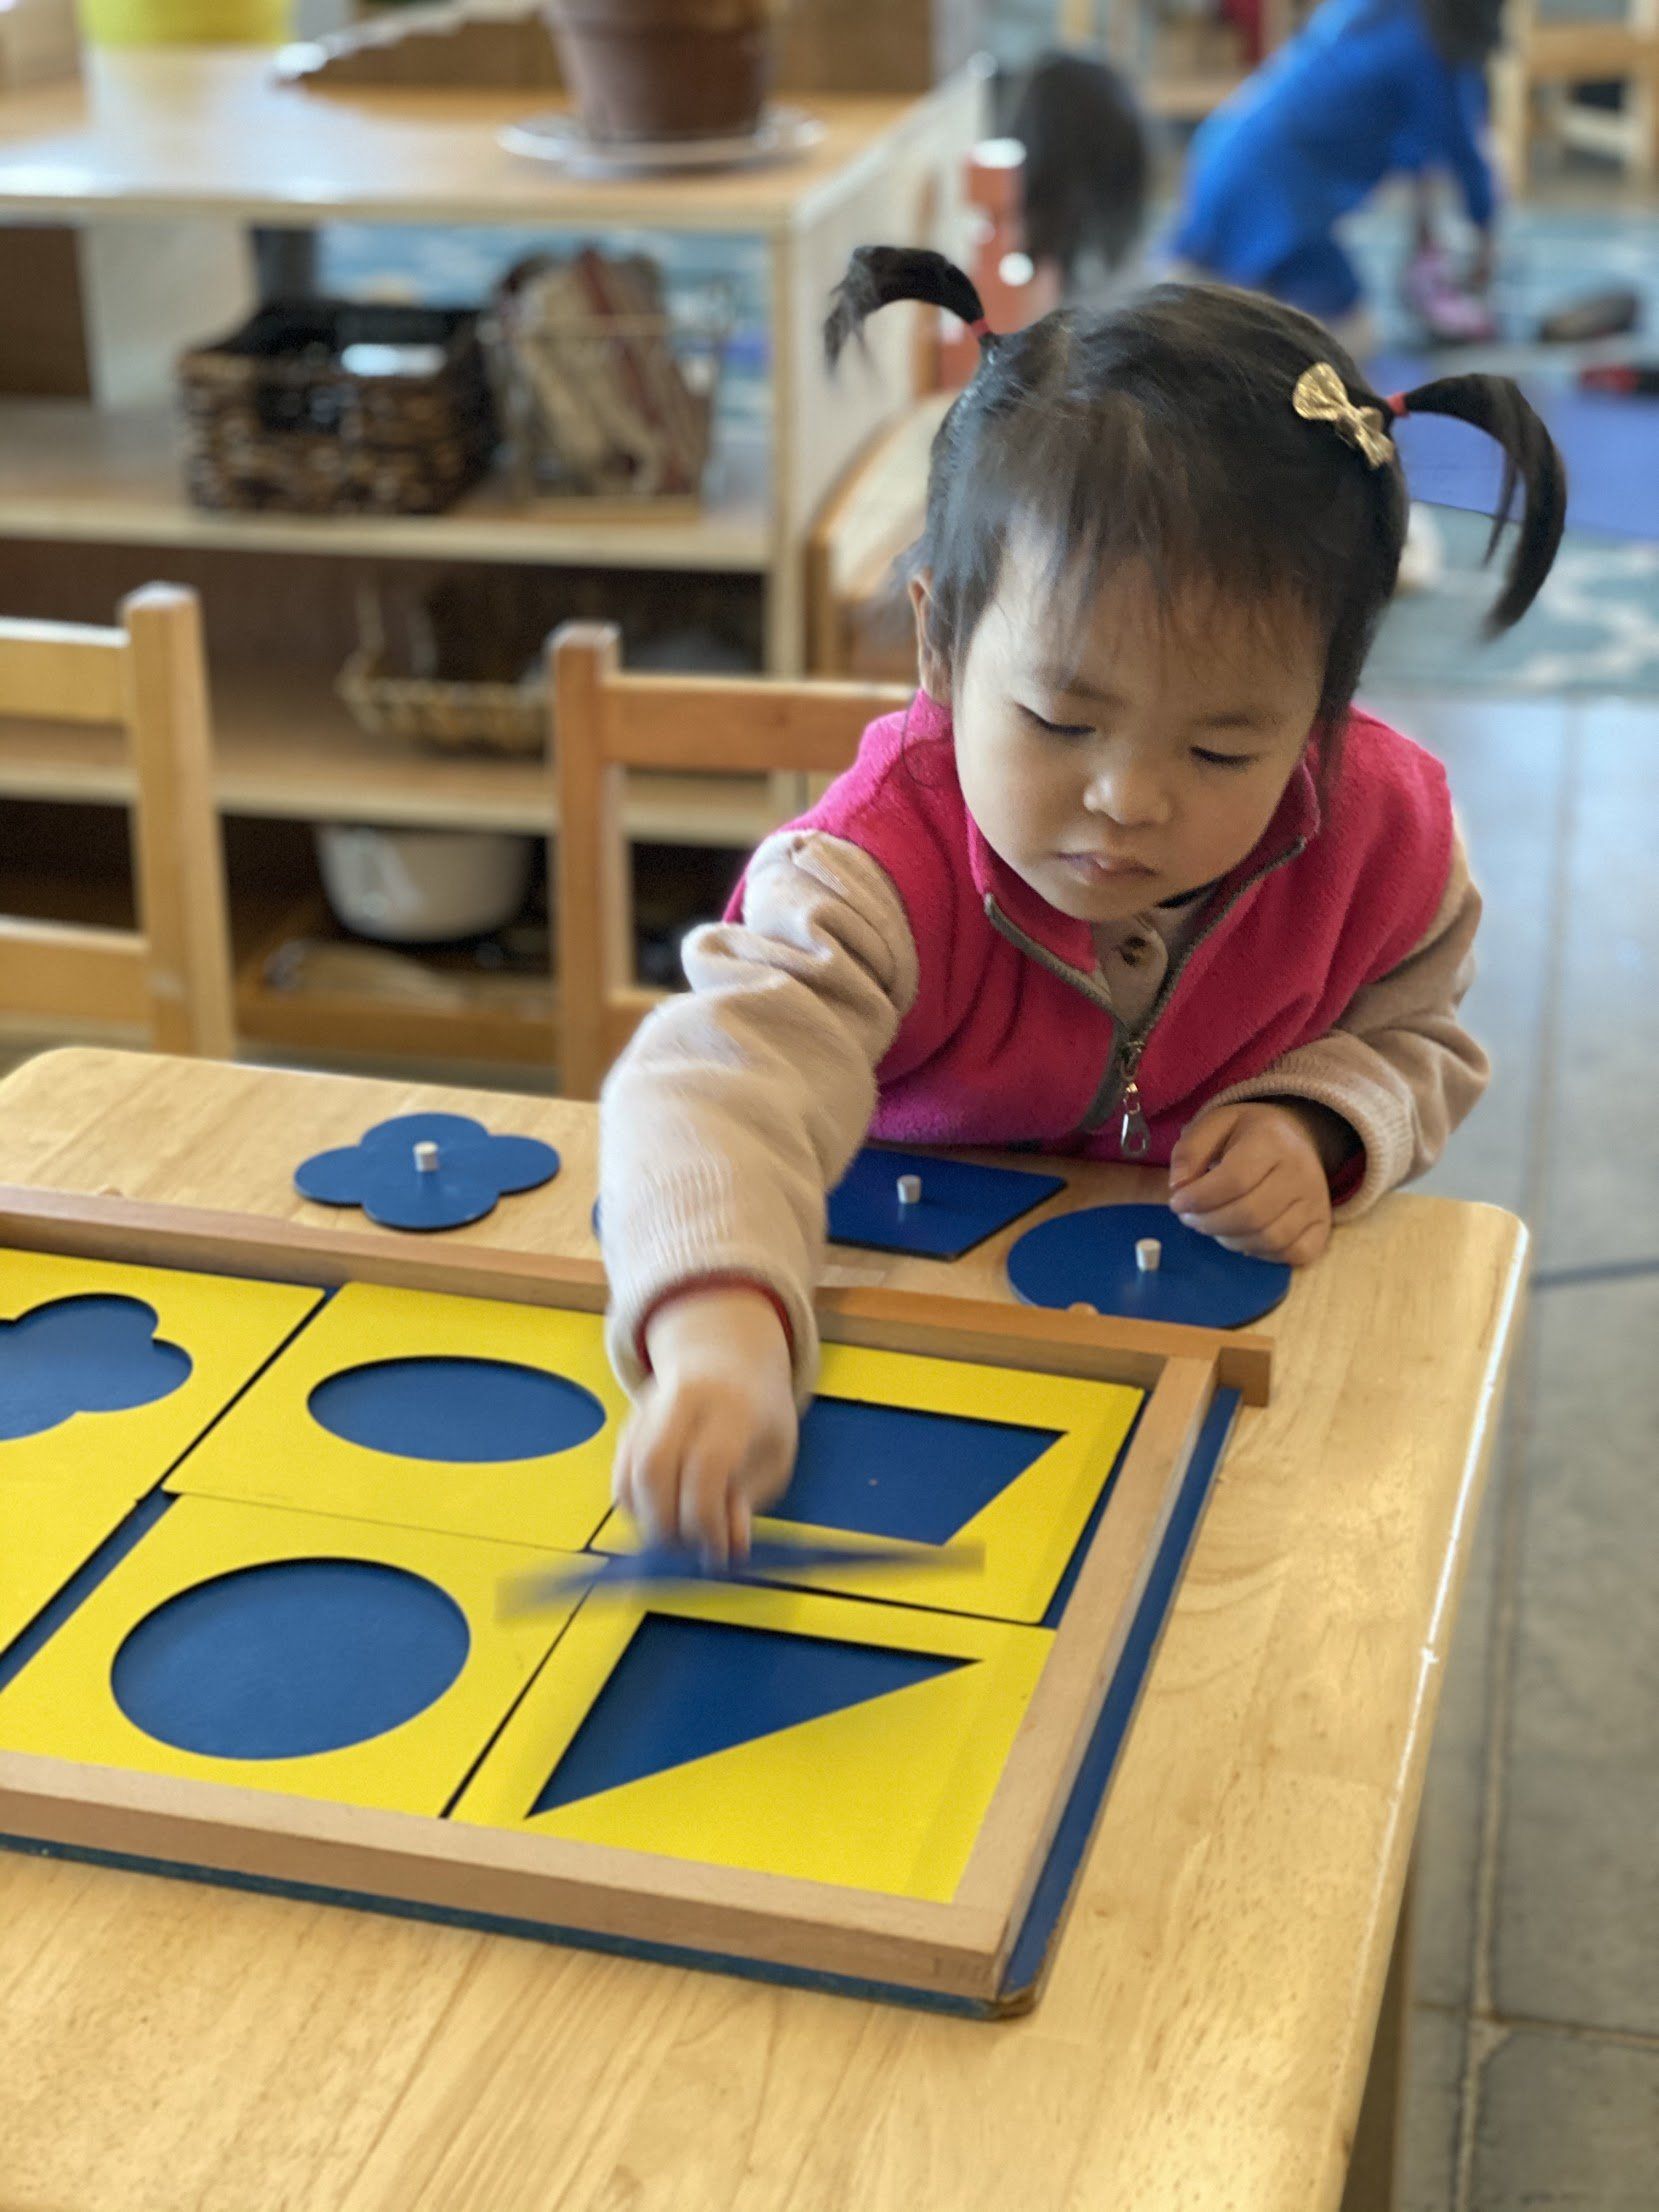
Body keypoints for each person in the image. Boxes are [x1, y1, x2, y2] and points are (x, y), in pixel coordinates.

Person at [599, 247, 1566, 1559]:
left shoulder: (1383, 840)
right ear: (938, 646)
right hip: (902, 1340)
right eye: (1060, 719)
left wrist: (1319, 1119)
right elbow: (719, 1084)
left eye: (1221, 749)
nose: (1126, 799)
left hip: (1195, 1367)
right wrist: (718, 1330)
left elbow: (1420, 1039)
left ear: (1321, 712)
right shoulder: (878, 868)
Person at [1169, 0, 1505, 345]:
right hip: (1276, 199)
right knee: (1351, 341)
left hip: (1225, 154)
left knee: (1202, 317)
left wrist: (1429, 234)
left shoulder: (1377, 12)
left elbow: (1421, 149)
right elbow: (1461, 151)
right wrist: (1486, 236)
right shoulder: (1433, 45)